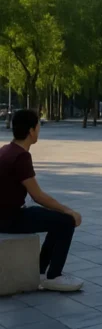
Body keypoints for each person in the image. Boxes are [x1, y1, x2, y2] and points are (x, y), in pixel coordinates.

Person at [0, 110, 84, 292]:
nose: (39, 130)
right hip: (10, 218)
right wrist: (68, 211)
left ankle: (39, 272)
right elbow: (38, 196)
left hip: (6, 214)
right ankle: (54, 276)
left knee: (56, 220)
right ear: (31, 131)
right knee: (66, 222)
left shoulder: (5, 150)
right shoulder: (21, 156)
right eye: (38, 126)